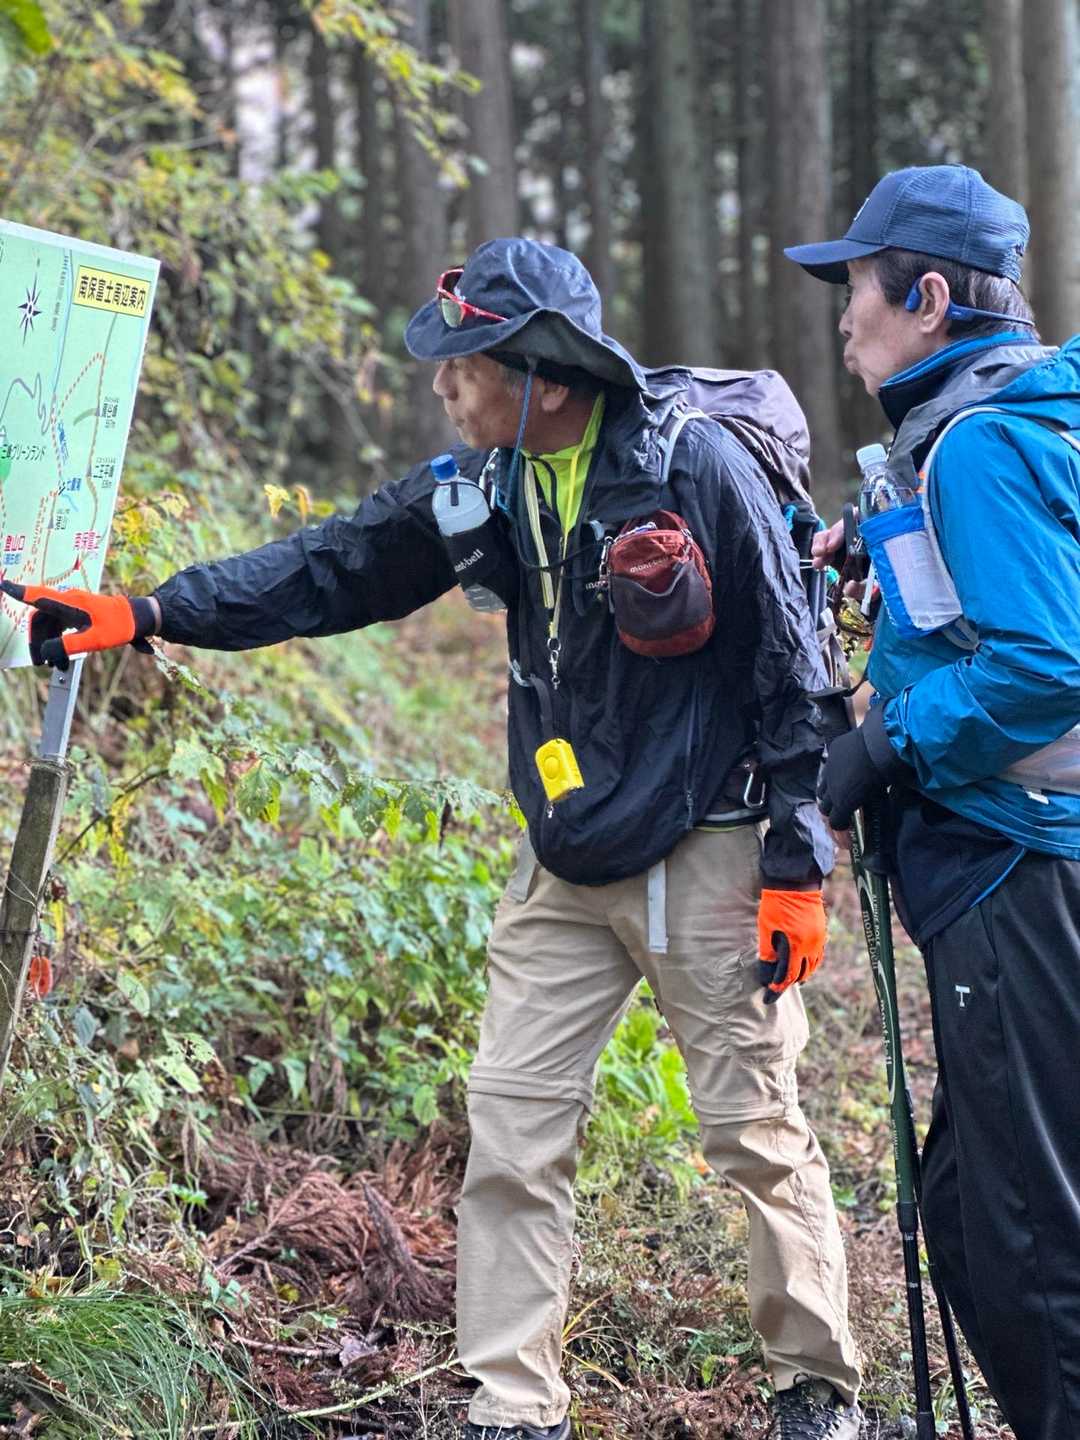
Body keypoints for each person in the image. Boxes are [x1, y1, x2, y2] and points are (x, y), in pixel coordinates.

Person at [3, 239, 862, 1440]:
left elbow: (794, 671)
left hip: (709, 843)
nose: (445, 385)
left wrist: (796, 867)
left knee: (754, 1133)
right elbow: (331, 566)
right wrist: (148, 611)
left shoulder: (692, 466)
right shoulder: (482, 483)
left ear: (544, 377)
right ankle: (513, 1404)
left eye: (467, 365)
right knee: (511, 1128)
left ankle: (815, 1385)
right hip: (565, 851)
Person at [786, 164, 1080, 1440]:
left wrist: (888, 741)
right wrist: (882, 567)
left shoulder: (982, 446)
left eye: (858, 285)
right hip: (1026, 866)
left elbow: (1048, 663)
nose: (844, 314)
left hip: (1020, 868)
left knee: (1024, 1237)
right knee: (970, 1204)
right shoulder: (1003, 422)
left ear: (928, 299)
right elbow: (990, 612)